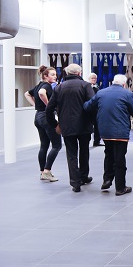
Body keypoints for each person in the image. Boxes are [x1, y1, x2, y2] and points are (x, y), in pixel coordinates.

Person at [84, 74, 133, 196]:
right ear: (124, 84)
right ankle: (120, 187)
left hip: (105, 130)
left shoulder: (101, 93)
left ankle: (107, 179)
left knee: (108, 154)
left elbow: (88, 107)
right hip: (121, 131)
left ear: (113, 82)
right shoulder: (127, 94)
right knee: (120, 158)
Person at [45, 63, 95, 192]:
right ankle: (83, 176)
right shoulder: (86, 85)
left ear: (67, 73)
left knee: (71, 154)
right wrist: (93, 120)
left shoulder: (59, 88)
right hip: (84, 125)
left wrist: (55, 125)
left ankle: (75, 182)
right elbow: (93, 104)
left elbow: (49, 109)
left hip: (67, 126)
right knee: (84, 151)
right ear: (79, 73)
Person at [24, 65, 62, 182]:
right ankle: (46, 171)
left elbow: (26, 94)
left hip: (38, 117)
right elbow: (41, 93)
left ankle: (42, 171)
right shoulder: (46, 86)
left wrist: (35, 105)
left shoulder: (38, 85)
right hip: (46, 117)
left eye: (55, 74)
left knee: (44, 145)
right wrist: (49, 105)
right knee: (57, 145)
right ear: (45, 76)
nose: (55, 77)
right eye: (52, 75)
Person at [88, 73, 102, 147]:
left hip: (96, 110)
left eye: (95, 78)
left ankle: (97, 141)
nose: (94, 80)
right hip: (88, 110)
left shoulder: (97, 88)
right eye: (92, 78)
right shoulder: (86, 87)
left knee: (97, 126)